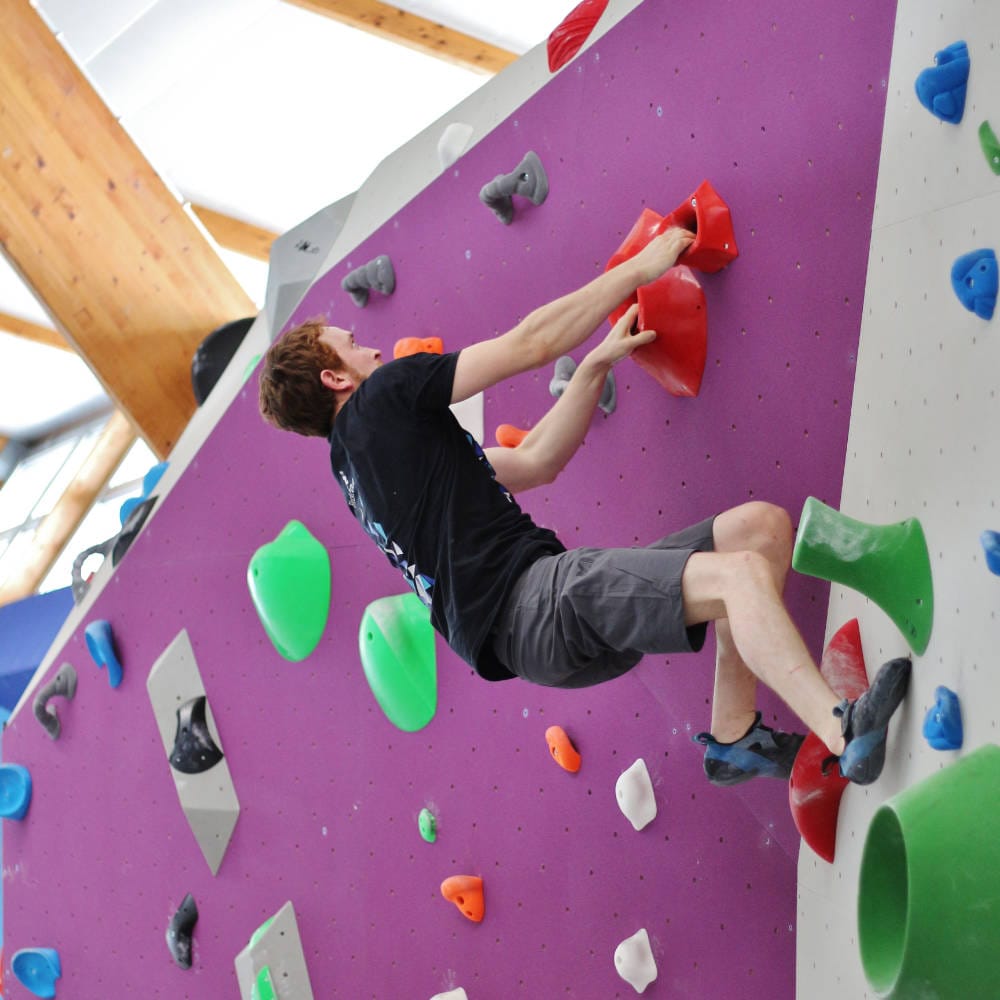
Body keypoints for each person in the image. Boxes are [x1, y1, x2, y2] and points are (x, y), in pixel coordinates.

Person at [259, 227, 909, 787]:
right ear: (335, 378)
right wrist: (638, 268)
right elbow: (531, 343)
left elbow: (536, 459)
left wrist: (594, 365)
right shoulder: (385, 398)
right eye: (353, 343)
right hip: (540, 602)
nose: (371, 348)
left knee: (758, 533)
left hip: (539, 643)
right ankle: (842, 729)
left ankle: (734, 737)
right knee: (738, 577)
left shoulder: (361, 471)